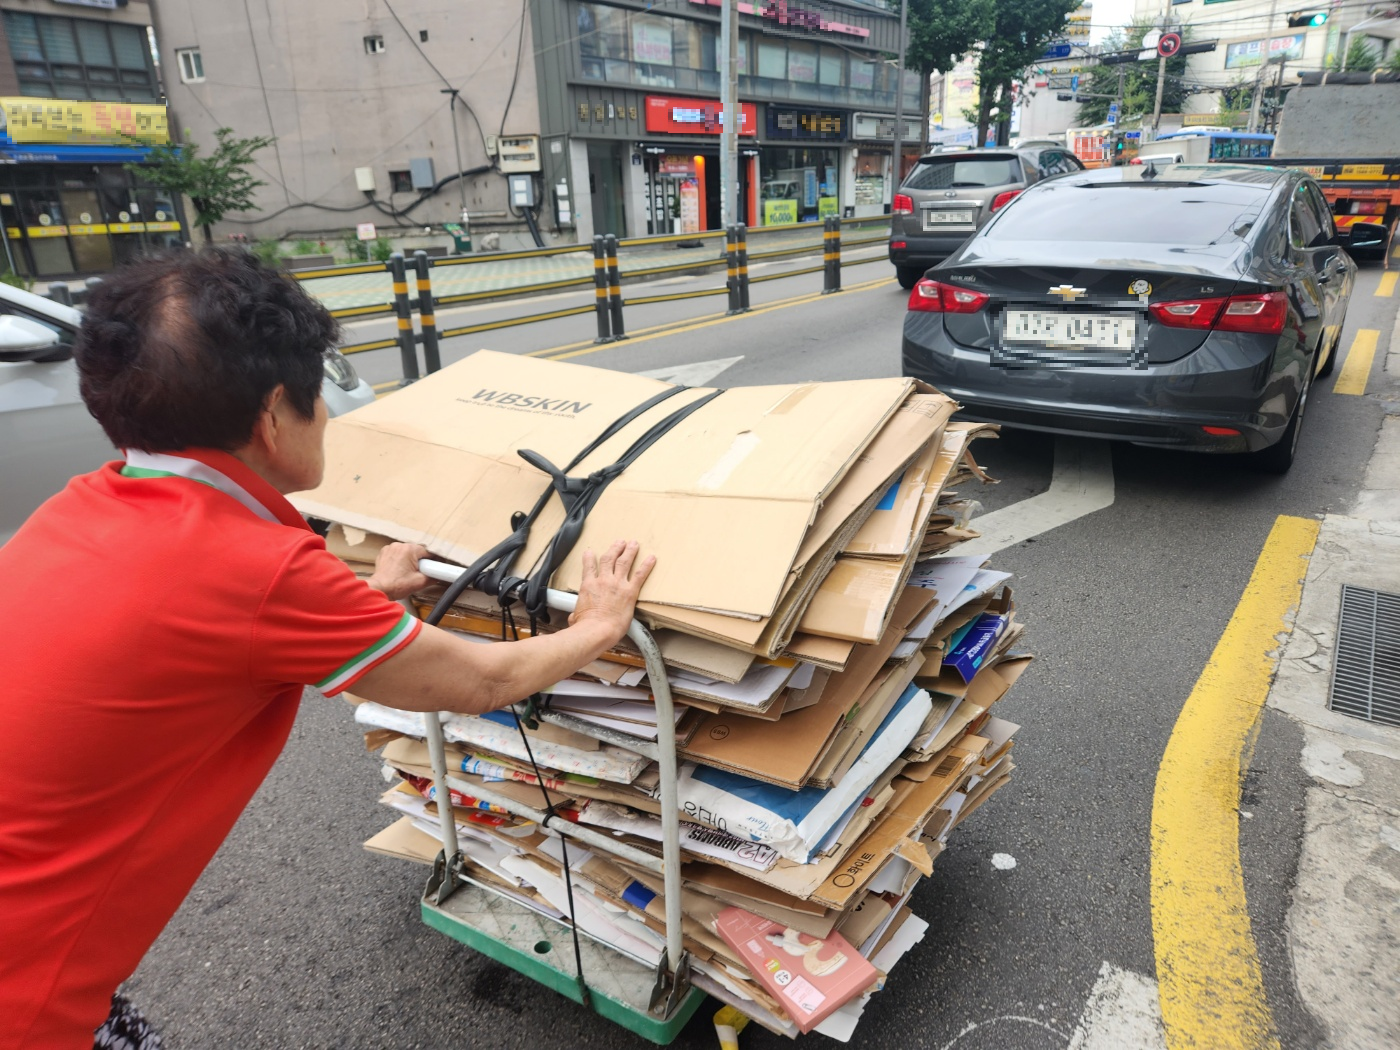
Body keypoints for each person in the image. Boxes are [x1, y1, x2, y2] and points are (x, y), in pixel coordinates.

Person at [0, 248, 655, 1049]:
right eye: (319, 396)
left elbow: (213, 636)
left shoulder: (77, 510)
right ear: (274, 414)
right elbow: (482, 681)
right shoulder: (259, 571)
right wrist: (597, 626)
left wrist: (369, 597)